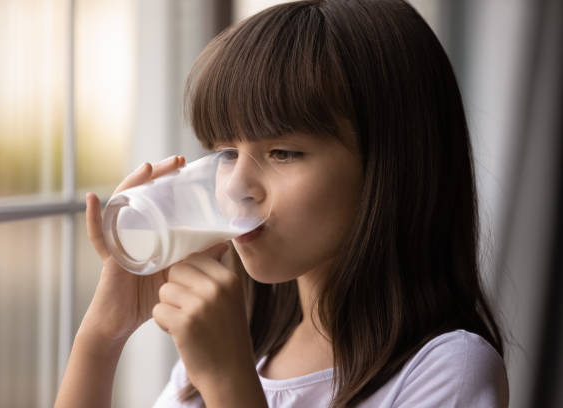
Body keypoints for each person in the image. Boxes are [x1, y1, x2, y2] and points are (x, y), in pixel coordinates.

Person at [55, 0, 509, 407]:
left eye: (283, 153)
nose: (237, 188)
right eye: (227, 153)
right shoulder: (242, 342)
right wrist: (103, 336)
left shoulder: (447, 370)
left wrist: (229, 383)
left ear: (392, 164)